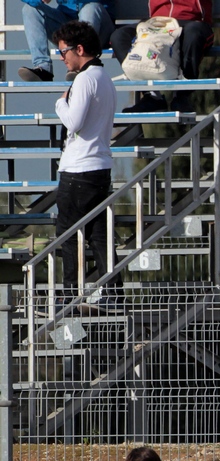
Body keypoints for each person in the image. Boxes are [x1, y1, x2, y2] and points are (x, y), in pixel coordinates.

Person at [52, 21, 121, 311]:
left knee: (68, 235)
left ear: (80, 49)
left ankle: (69, 296)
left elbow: (74, 122)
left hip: (78, 170)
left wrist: (59, 104)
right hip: (99, 168)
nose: (62, 57)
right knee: (99, 234)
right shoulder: (105, 77)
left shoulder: (84, 79)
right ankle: (114, 295)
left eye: (64, 51)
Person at [110, 0, 214, 113]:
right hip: (158, 24)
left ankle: (182, 95)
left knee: (193, 35)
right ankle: (151, 95)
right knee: (119, 37)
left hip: (191, 21)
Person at [17, 0, 112, 82]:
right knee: (30, 9)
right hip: (66, 22)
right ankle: (43, 68)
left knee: (90, 8)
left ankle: (82, 65)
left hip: (98, 26)